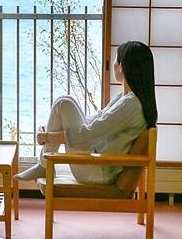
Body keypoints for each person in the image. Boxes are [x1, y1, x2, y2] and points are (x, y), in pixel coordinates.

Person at [14, 41, 157, 184]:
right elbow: (95, 120)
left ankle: (43, 165)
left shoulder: (131, 104)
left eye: (115, 60)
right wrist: (50, 132)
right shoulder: (125, 98)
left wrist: (47, 137)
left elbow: (88, 134)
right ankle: (43, 165)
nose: (113, 64)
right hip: (96, 161)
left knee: (64, 103)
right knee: (65, 101)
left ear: (121, 67)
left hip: (97, 170)